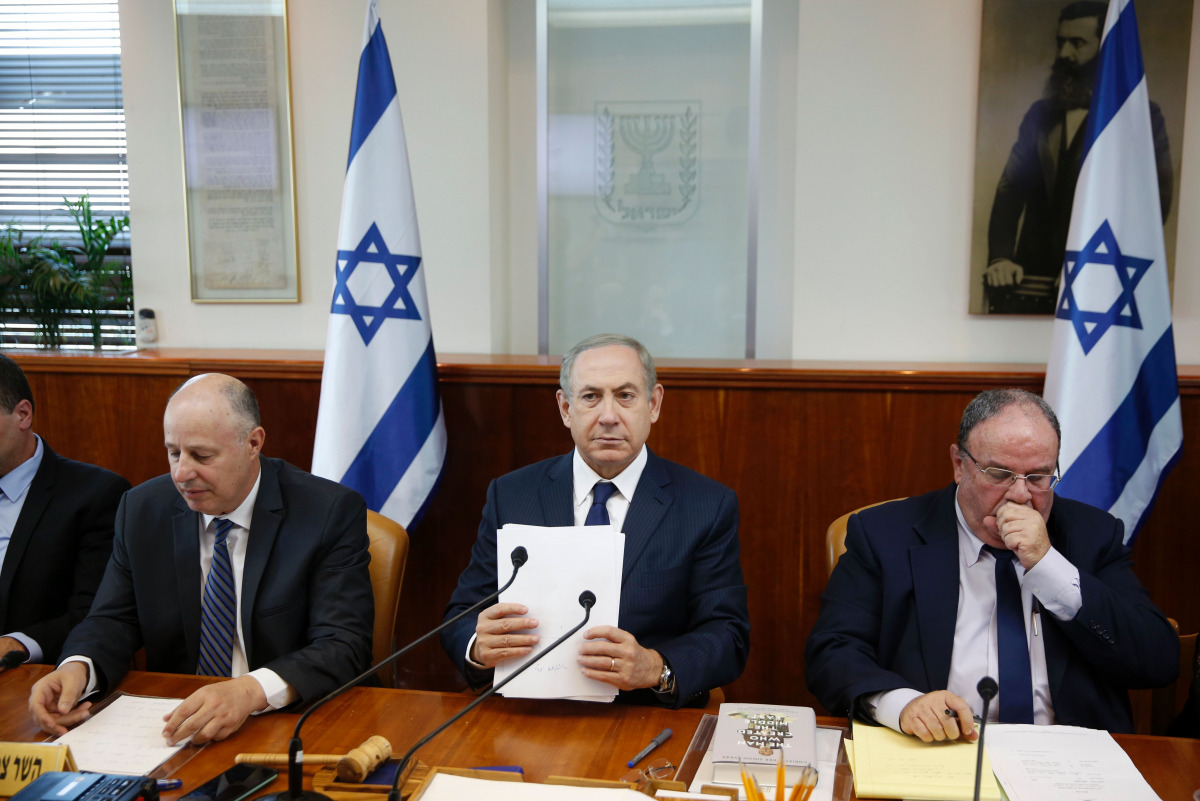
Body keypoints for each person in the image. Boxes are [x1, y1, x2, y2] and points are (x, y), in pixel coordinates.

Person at [805, 388, 1178, 741]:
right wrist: (902, 705)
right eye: (999, 475)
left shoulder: (1092, 535)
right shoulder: (885, 534)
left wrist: (1049, 566)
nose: (1020, 495)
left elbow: (1157, 661)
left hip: (1066, 756)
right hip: (939, 749)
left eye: (1038, 477)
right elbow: (833, 651)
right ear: (959, 464)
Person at [28, 374, 373, 745]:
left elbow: (343, 642)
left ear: (253, 443)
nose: (181, 473)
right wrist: (79, 667)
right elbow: (113, 618)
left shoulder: (326, 512)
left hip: (292, 722)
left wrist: (249, 690)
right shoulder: (142, 509)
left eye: (201, 456)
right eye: (173, 452)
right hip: (176, 721)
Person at [441, 333, 749, 708]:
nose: (608, 416)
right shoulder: (511, 494)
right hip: (529, 711)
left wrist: (656, 667)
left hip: (644, 714)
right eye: (590, 397)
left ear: (653, 404)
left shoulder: (706, 505)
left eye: (625, 396)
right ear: (565, 408)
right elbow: (462, 615)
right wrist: (478, 646)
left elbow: (727, 634)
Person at [984, 1, 1173, 314]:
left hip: (1100, 287)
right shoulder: (1039, 115)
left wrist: (1093, 267)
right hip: (1029, 281)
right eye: (1061, 42)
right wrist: (1000, 258)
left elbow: (1151, 205)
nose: (1064, 54)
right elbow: (1010, 190)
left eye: (1077, 43)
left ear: (1105, 48)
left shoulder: (1142, 117)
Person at [0, 355, 130, 668]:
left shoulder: (97, 495)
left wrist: (19, 642)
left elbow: (99, 614)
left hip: (39, 674)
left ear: (23, 414)